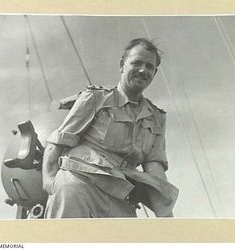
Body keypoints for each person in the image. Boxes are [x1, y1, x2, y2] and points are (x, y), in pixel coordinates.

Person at [42, 38, 179, 218]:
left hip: (121, 195)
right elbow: (58, 142)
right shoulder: (95, 98)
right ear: (122, 65)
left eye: (149, 66)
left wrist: (166, 214)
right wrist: (51, 181)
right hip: (79, 184)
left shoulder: (156, 117)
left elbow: (154, 168)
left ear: (154, 72)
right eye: (137, 63)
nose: (143, 70)